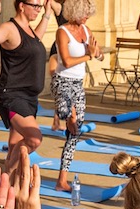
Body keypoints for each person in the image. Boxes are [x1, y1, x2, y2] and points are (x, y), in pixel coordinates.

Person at [0, 0, 53, 170]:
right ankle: (8, 171)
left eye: (39, 6)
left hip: (29, 97)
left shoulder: (30, 30)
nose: (38, 10)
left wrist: (47, 13)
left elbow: (35, 40)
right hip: (11, 95)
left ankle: (9, 186)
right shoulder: (10, 28)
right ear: (22, 6)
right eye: (35, 6)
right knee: (34, 138)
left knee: (15, 144)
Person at [49, 0, 96, 196]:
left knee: (74, 134)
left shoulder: (86, 30)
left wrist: (97, 53)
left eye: (88, 13)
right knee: (64, 112)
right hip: (62, 81)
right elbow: (66, 61)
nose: (86, 16)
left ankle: (62, 180)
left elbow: (96, 51)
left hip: (78, 85)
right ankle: (70, 115)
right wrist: (89, 56)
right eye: (84, 12)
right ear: (74, 11)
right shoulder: (62, 31)